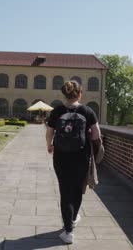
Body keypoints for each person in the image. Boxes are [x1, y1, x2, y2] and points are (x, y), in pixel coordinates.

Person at [45, 80, 102, 244]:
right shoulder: (87, 111)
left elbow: (49, 131)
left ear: (64, 94)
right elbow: (96, 134)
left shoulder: (57, 110)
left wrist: (49, 145)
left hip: (61, 157)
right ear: (80, 93)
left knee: (65, 190)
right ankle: (73, 219)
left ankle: (68, 230)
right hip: (81, 156)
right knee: (77, 189)